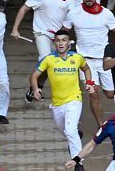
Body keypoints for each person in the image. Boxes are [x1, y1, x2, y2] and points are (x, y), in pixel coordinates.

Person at [31, 29, 96, 162]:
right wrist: (36, 88)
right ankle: (75, 135)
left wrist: (89, 83)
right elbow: (35, 75)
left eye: (64, 40)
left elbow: (86, 68)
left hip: (74, 100)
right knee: (67, 131)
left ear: (69, 43)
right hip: (57, 104)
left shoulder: (77, 57)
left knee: (70, 131)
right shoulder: (48, 59)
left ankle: (78, 163)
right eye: (58, 41)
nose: (61, 43)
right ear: (54, 43)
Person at [63, 0, 115, 126]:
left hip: (105, 61)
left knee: (110, 94)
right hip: (85, 63)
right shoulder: (73, 13)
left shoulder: (106, 13)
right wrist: (64, 49)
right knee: (94, 93)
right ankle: (101, 126)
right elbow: (63, 32)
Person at [13, 0, 77, 105]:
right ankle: (35, 87)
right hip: (42, 33)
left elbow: (71, 17)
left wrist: (63, 33)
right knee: (46, 60)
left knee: (53, 64)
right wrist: (15, 29)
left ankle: (37, 87)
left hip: (58, 36)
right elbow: (24, 8)